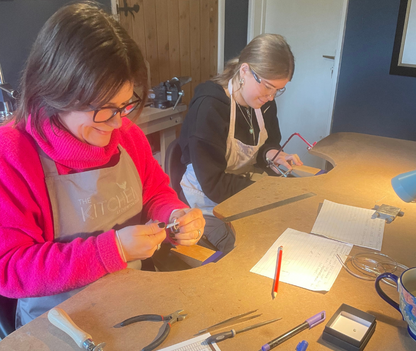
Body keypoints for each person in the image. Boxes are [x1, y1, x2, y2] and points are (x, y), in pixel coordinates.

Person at [0, 2, 205, 328]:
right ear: (57, 90)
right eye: (104, 109)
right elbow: (10, 269)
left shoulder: (128, 136)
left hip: (131, 303)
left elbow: (155, 194)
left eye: (124, 105)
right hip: (57, 325)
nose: (116, 122)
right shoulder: (11, 154)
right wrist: (112, 250)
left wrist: (174, 215)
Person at [179, 34, 302, 253]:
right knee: (253, 248)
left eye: (278, 90)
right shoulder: (210, 107)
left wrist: (272, 154)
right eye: (268, 87)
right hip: (205, 203)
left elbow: (267, 141)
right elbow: (214, 184)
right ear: (244, 71)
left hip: (238, 189)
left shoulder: (263, 102)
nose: (271, 97)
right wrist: (267, 193)